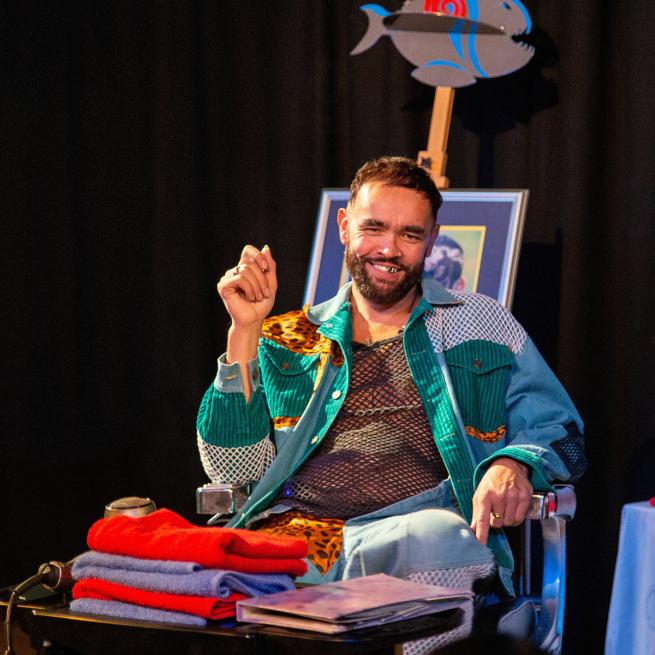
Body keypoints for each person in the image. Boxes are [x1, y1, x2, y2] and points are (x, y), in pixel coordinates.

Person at [196, 156, 585, 614]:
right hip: (298, 544)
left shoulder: (481, 322)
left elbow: (563, 432)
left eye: (410, 234)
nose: (389, 249)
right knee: (160, 569)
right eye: (374, 228)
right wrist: (244, 330)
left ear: (432, 240)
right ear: (344, 226)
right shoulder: (286, 336)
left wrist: (512, 465)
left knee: (442, 539)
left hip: (417, 538)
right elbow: (232, 471)